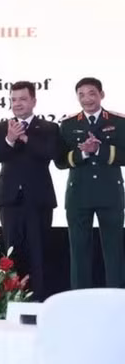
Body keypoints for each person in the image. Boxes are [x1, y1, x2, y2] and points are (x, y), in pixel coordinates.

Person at [0, 81, 60, 301]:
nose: (17, 103)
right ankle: (12, 300)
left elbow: (50, 153)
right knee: (11, 251)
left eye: (22, 99)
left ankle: (38, 301)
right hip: (9, 198)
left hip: (38, 199)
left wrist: (25, 138)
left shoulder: (48, 128)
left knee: (38, 252)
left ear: (33, 101)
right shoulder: (2, 127)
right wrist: (10, 139)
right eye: (13, 99)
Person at [56, 77, 125, 289]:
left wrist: (100, 150)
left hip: (110, 194)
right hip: (79, 195)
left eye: (92, 93)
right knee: (79, 252)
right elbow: (60, 161)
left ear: (101, 95)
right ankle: (79, 299)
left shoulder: (118, 121)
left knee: (114, 251)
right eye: (82, 94)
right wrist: (82, 153)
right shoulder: (67, 124)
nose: (87, 99)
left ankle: (117, 302)